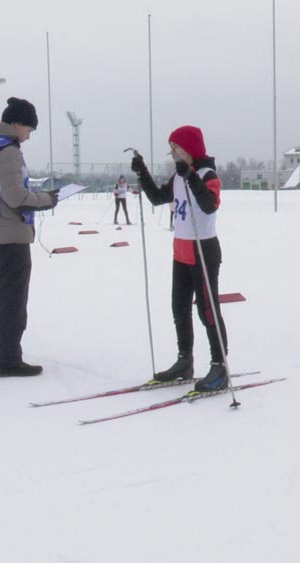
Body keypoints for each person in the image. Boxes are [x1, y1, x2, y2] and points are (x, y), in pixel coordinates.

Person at [130, 125, 230, 392]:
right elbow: (156, 198)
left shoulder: (208, 174)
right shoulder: (177, 176)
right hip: (182, 251)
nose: (173, 154)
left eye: (176, 148)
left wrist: (191, 177)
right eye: (171, 149)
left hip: (203, 250)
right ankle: (184, 361)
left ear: (191, 149)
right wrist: (143, 173)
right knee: (179, 308)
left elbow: (210, 204)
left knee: (207, 309)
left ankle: (220, 366)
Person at [0, 97, 58, 377]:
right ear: (17, 123)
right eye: (29, 130)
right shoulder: (7, 150)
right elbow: (16, 196)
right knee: (12, 301)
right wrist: (47, 199)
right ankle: (8, 360)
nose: (29, 136)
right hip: (10, 237)